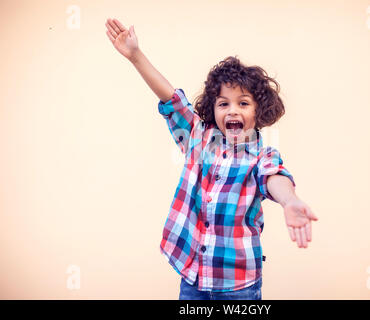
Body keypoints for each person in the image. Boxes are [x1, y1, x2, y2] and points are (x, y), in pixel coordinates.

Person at [105, 18, 319, 300]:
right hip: (192, 275)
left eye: (243, 103)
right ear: (213, 109)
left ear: (259, 111)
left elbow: (275, 178)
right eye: (223, 103)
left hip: (238, 285)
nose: (232, 111)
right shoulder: (197, 137)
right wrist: (135, 56)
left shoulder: (262, 157)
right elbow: (172, 99)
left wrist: (290, 200)